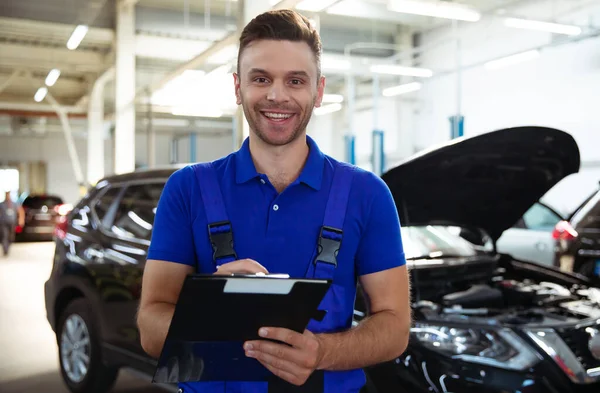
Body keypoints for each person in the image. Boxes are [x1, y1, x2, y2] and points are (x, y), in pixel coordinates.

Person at [137, 9, 411, 393]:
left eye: (295, 80)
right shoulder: (188, 189)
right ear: (237, 87)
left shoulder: (367, 194)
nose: (277, 95)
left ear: (318, 91)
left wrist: (322, 352)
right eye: (261, 78)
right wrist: (207, 306)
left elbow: (395, 327)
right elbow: (150, 328)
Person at [0, 191, 25, 256]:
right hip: (3, 223)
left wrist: (21, 220)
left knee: (11, 236)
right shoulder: (1, 204)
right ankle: (5, 249)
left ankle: (8, 246)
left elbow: (20, 211)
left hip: (12, 222)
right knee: (4, 235)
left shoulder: (14, 204)